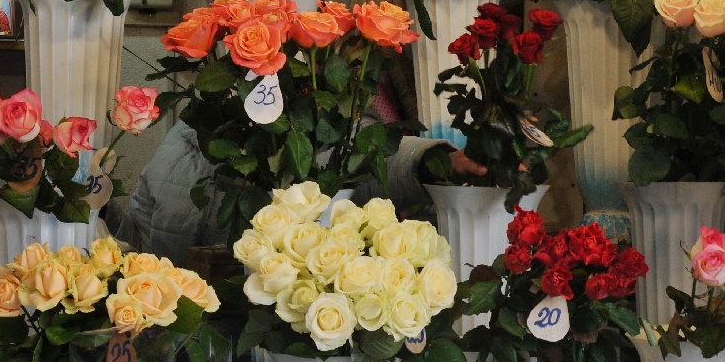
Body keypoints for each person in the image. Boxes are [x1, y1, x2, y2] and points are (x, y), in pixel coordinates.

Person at [113, 122, 486, 266]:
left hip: (281, 335)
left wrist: (436, 161)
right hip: (182, 341)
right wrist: (97, 212)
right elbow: (141, 244)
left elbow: (377, 160)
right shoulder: (178, 144)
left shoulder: (312, 131)